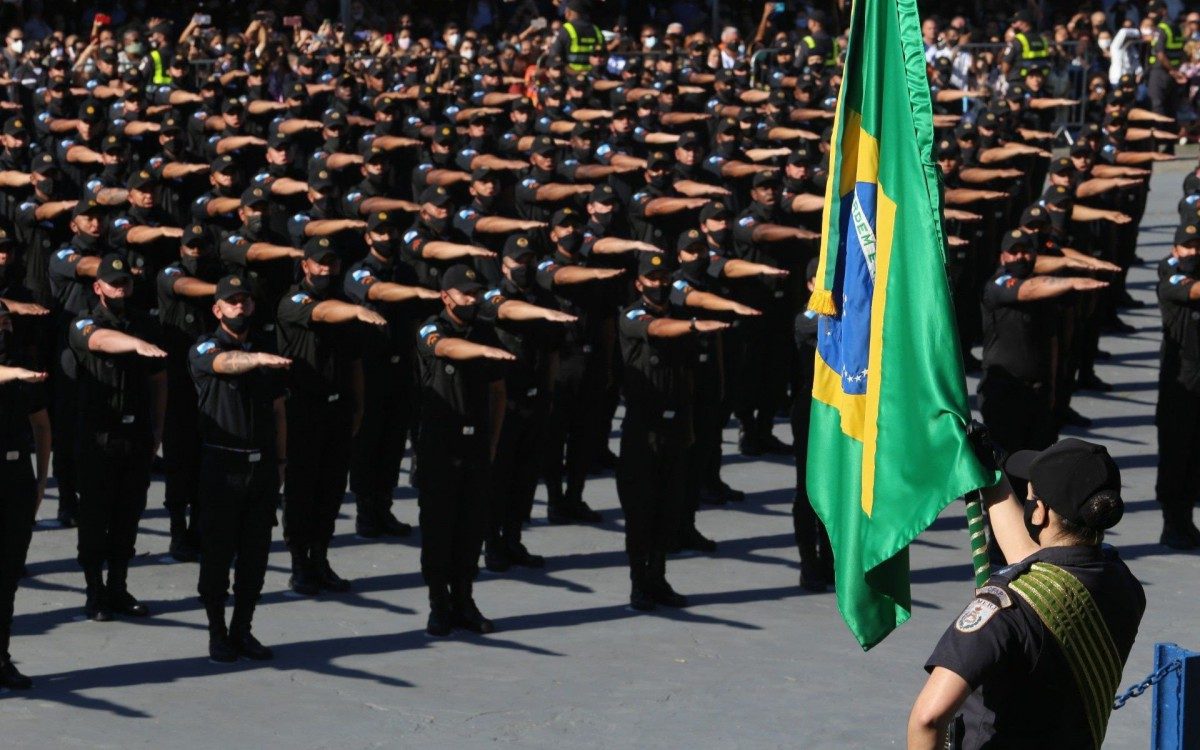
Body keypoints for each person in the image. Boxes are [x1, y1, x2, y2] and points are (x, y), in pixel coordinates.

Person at [909, 436, 1145, 750]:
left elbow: (927, 718)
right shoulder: (1122, 583)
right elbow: (1036, 564)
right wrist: (992, 474)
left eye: (1031, 495)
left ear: (1039, 512)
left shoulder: (1007, 609)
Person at [617, 251, 729, 611]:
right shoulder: (632, 315)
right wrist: (695, 326)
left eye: (664, 278)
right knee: (641, 513)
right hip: (643, 432)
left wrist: (690, 427)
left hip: (676, 427)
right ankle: (639, 584)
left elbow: (689, 379)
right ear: (639, 283)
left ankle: (659, 580)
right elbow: (656, 329)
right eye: (652, 279)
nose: (659, 284)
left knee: (668, 509)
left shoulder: (680, 316)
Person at [276, 237, 386, 596]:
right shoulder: (295, 300)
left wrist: (358, 407)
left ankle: (320, 558)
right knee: (301, 489)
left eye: (332, 263)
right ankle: (299, 563)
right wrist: (355, 311)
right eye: (319, 263)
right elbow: (321, 314)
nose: (326, 269)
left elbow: (354, 363)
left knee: (331, 489)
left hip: (338, 409)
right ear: (305, 265)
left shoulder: (348, 304)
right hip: (303, 409)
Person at [189, 276, 290, 663]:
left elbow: (279, 411)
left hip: (261, 467)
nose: (240, 307)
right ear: (217, 309)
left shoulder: (267, 351)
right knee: (216, 555)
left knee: (255, 556)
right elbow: (222, 363)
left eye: (245, 300)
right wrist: (257, 360)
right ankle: (216, 632)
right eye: (232, 302)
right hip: (222, 465)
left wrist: (281, 462)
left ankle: (242, 629)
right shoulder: (205, 346)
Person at [414, 264, 513, 636]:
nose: (471, 300)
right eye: (464, 294)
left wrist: (492, 441)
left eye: (475, 294)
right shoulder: (430, 328)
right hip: (439, 448)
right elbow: (444, 347)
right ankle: (439, 605)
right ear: (446, 296)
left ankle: (465, 600)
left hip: (475, 448)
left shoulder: (485, 331)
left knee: (471, 530)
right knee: (439, 531)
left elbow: (498, 392)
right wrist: (481, 349)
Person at [68, 254, 167, 621]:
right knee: (95, 517)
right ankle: (94, 591)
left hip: (136, 435)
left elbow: (159, 381)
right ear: (98, 287)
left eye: (125, 282)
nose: (121, 288)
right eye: (113, 282)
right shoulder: (83, 322)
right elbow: (99, 341)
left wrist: (158, 430)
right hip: (99, 437)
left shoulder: (146, 323)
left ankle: (118, 586)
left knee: (128, 516)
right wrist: (133, 344)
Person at [978, 230, 1107, 454]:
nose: (1020, 257)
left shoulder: (1047, 295)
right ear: (1002, 257)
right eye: (1013, 252)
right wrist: (1072, 281)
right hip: (1004, 393)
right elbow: (1028, 290)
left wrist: (1053, 390)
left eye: (1025, 252)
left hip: (1039, 392)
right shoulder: (997, 285)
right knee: (1006, 465)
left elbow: (1053, 341)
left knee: (1041, 465)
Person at [0, 304, 49, 689]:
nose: (3, 330)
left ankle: (1, 658)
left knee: (8, 576)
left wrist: (41, 481)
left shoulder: (24, 370)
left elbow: (41, 425)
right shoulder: (14, 372)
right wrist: (12, 374)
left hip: (17, 477)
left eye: (5, 323)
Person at [1153, 221, 1200, 550]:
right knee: (1175, 457)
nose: (1193, 252)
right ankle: (1172, 525)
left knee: (1195, 456)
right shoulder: (1171, 281)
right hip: (1178, 384)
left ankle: (1186, 523)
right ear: (1175, 250)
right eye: (1187, 246)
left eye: (1197, 246)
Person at [548, 0, 605, 74]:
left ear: (568, 12)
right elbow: (604, 55)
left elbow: (554, 56)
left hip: (572, 76)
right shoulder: (596, 29)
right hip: (593, 75)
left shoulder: (567, 29)